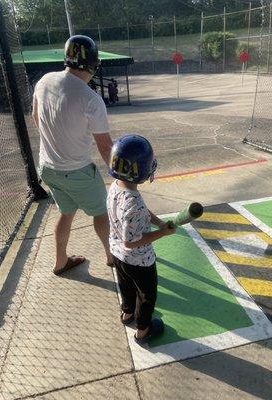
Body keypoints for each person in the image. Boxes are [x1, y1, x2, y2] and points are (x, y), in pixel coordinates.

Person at [32, 35, 113, 275]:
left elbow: (36, 117)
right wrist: (120, 176)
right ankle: (112, 256)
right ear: (94, 64)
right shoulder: (91, 99)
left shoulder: (45, 81)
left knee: (66, 213)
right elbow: (106, 147)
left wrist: (56, 140)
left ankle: (60, 261)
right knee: (101, 212)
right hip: (76, 170)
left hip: (47, 167)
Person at [107, 135, 175, 344]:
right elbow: (132, 241)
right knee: (147, 296)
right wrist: (163, 233)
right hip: (139, 260)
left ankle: (127, 314)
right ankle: (143, 330)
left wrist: (159, 223)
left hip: (118, 254)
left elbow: (142, 214)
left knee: (126, 286)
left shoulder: (116, 186)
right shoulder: (134, 202)